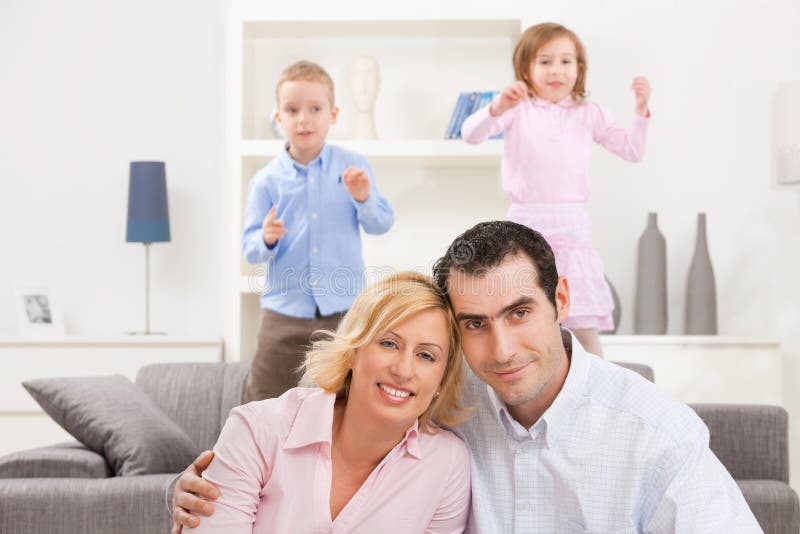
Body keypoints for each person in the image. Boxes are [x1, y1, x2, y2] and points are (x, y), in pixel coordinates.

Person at [172, 221, 762, 534]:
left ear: (561, 297)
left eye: (520, 313)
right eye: (475, 323)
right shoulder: (444, 399)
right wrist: (199, 484)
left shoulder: (654, 432)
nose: (501, 349)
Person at [183, 271, 470, 533]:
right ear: (354, 350)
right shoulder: (257, 430)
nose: (403, 370)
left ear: (441, 382)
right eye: (389, 343)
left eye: (426, 356)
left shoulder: (447, 464)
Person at [461, 22, 651, 356]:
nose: (556, 71)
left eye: (566, 61)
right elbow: (470, 134)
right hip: (525, 223)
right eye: (545, 61)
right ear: (526, 68)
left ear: (580, 69)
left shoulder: (589, 113)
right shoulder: (516, 110)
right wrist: (497, 108)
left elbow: (632, 150)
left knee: (581, 324)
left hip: (572, 226)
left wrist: (640, 113)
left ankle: (595, 392)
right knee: (525, 314)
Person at [242, 60, 394, 402]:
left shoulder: (353, 167)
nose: (304, 119)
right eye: (292, 110)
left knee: (347, 400)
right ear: (279, 118)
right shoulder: (265, 181)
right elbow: (250, 248)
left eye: (315, 108)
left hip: (344, 313)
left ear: (333, 114)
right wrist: (265, 237)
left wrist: (363, 197)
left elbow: (381, 223)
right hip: (283, 314)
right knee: (263, 398)